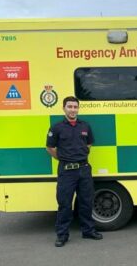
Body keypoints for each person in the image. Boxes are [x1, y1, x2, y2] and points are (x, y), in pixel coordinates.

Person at [46, 96, 103, 247]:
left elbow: (89, 143)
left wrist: (80, 155)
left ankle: (88, 231)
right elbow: (50, 148)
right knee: (64, 204)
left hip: (84, 169)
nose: (72, 109)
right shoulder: (56, 127)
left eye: (75, 107)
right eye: (69, 107)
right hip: (66, 171)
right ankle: (62, 235)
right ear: (63, 108)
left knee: (86, 202)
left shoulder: (85, 126)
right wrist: (64, 158)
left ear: (78, 108)